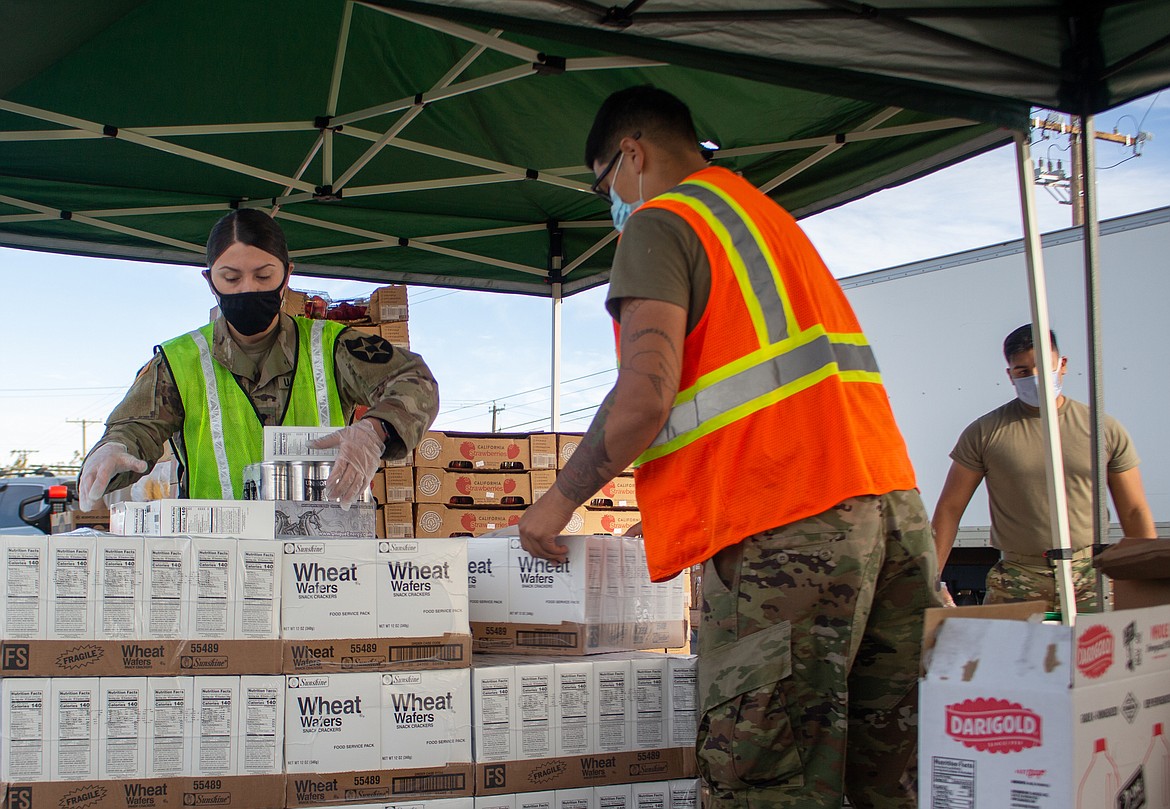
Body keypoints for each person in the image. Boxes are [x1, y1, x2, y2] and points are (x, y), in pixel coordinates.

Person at [519, 86, 941, 809]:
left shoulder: (662, 220)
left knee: (765, 778)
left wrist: (554, 504)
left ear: (632, 154)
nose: (609, 204)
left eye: (603, 186)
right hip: (892, 516)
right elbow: (750, 388)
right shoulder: (766, 219)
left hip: (789, 533)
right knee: (886, 778)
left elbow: (644, 395)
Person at [78, 208, 439, 509]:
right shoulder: (179, 361)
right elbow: (136, 426)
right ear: (209, 281)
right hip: (221, 562)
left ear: (287, 276)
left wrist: (373, 431)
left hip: (324, 563)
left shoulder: (331, 347)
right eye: (230, 278)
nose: (247, 288)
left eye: (263, 275)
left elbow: (415, 380)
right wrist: (112, 451)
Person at [931, 323, 1155, 612]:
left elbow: (1134, 511)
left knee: (1096, 656)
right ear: (1010, 375)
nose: (1035, 378)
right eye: (1023, 371)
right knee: (1013, 657)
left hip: (1090, 577)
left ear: (1062, 365)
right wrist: (931, 580)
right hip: (1017, 578)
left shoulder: (1102, 428)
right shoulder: (984, 433)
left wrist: (1151, 579)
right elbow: (949, 508)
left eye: (1042, 366)